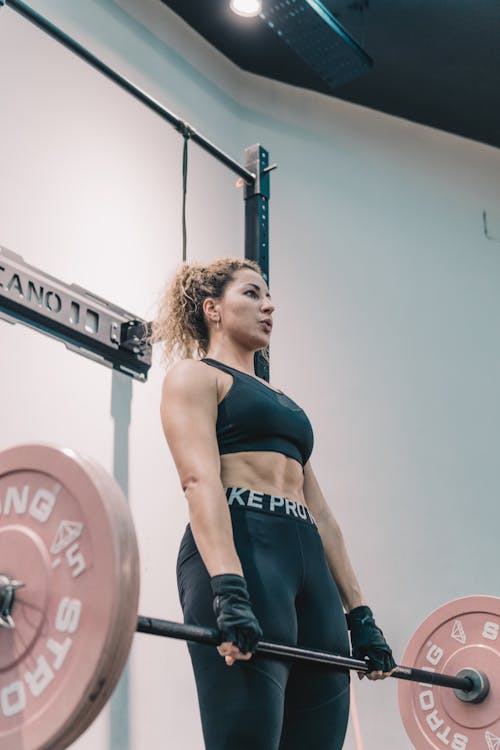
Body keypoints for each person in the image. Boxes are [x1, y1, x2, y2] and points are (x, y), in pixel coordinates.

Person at [152, 257, 396, 750]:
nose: (269, 306)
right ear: (212, 309)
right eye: (251, 294)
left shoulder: (282, 401)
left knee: (321, 738)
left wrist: (361, 615)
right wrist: (228, 588)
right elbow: (200, 481)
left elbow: (322, 514)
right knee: (248, 738)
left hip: (306, 563)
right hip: (246, 553)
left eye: (268, 297)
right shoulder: (196, 377)